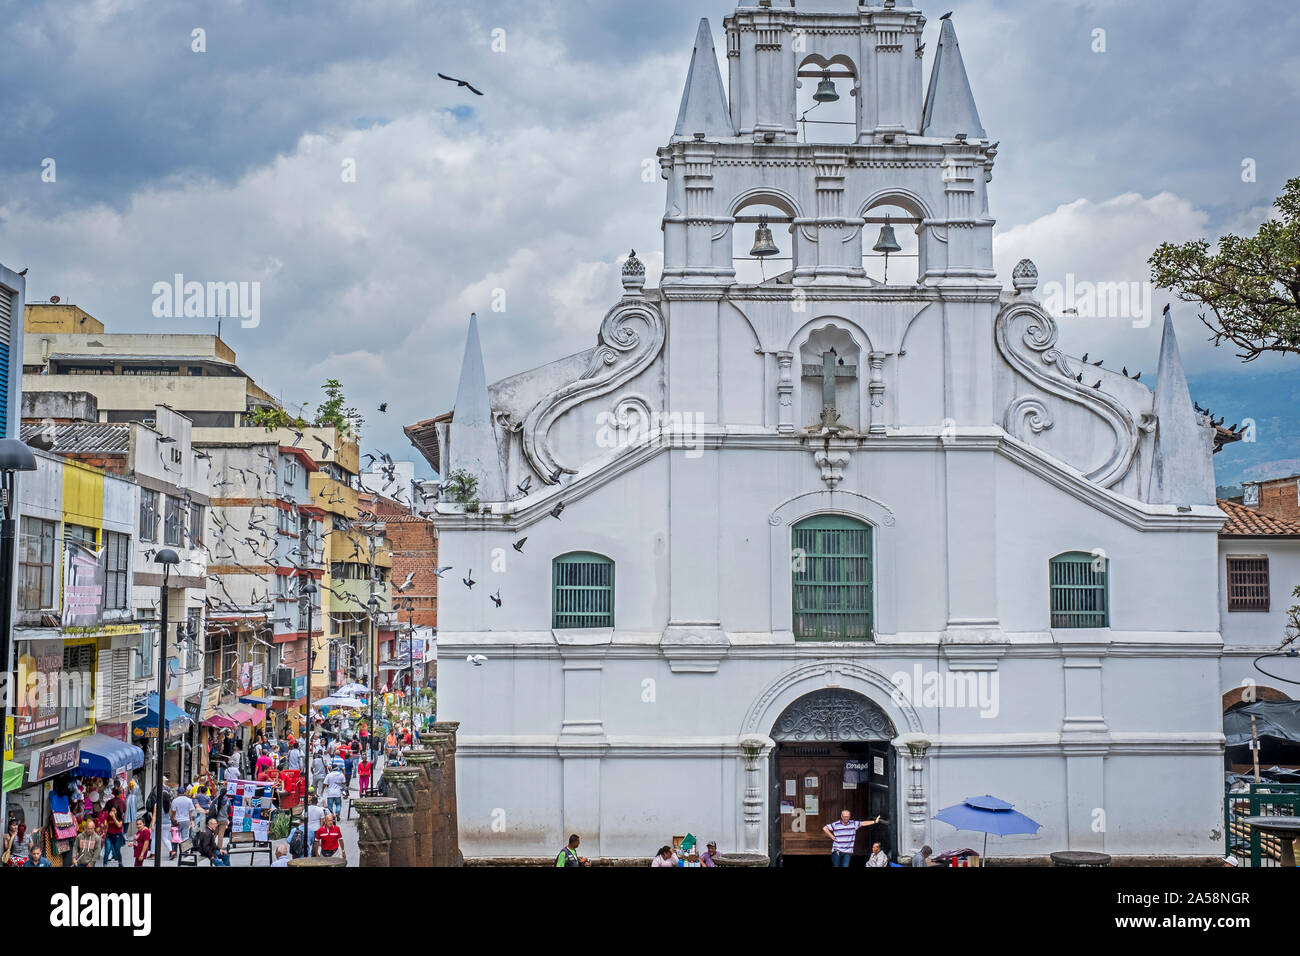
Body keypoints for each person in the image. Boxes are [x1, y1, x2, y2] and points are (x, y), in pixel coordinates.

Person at [103, 784, 127, 865]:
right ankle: (105, 864)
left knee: (117, 850)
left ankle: (120, 862)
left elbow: (119, 825)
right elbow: (106, 825)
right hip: (109, 835)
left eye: (114, 810)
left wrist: (114, 817)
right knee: (107, 850)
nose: (113, 812)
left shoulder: (118, 815)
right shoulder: (122, 802)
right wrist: (104, 835)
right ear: (120, 794)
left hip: (117, 834)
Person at [171, 787, 195, 857]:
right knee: (185, 836)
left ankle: (174, 852)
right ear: (184, 792)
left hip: (177, 821)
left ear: (178, 793)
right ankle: (185, 852)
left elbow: (173, 811)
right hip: (186, 820)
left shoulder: (175, 801)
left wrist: (172, 819)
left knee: (175, 837)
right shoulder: (189, 800)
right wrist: (191, 820)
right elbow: (191, 811)